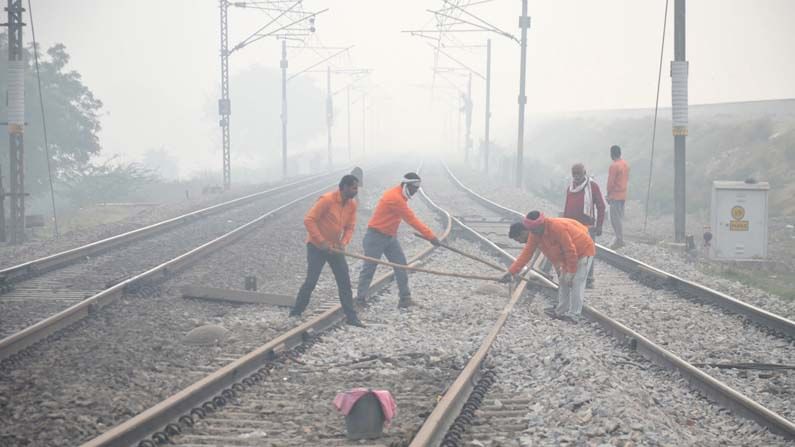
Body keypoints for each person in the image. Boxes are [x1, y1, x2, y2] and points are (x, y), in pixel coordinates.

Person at [356, 173, 441, 308]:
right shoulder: (395, 198)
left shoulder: (400, 195)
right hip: (375, 237)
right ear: (406, 185)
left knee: (401, 265)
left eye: (416, 189)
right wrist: (431, 236)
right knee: (369, 269)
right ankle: (360, 300)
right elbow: (412, 219)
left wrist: (430, 236)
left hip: (390, 237)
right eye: (414, 189)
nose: (415, 192)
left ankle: (405, 298)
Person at [290, 174, 364, 327]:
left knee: (344, 282)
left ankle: (352, 317)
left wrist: (343, 243)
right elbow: (309, 220)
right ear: (343, 187)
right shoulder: (327, 200)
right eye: (353, 188)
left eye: (356, 188)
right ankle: (296, 312)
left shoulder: (352, 204)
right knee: (311, 281)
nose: (356, 191)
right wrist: (321, 242)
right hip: (317, 247)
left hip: (336, 248)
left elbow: (350, 227)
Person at [501, 211, 595, 322]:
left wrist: (572, 271)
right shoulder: (534, 234)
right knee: (563, 281)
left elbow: (570, 249)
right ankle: (561, 311)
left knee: (576, 282)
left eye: (534, 230)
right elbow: (526, 254)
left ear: (541, 225)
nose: (533, 233)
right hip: (567, 256)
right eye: (531, 231)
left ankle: (574, 315)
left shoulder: (556, 228)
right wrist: (511, 271)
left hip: (583, 250)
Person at [563, 163, 606, 288]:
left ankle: (589, 279)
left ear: (584, 173)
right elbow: (567, 207)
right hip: (571, 226)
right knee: (572, 251)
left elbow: (601, 206)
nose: (576, 177)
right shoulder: (570, 187)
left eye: (578, 174)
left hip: (587, 226)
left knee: (588, 253)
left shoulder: (592, 186)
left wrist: (599, 225)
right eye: (574, 174)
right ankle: (575, 276)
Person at [606, 144, 630, 249]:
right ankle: (618, 238)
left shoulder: (614, 166)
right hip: (623, 194)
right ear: (620, 153)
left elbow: (610, 183)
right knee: (619, 217)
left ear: (612, 154)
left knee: (614, 218)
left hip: (615, 195)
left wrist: (608, 195)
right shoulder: (625, 164)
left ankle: (619, 239)